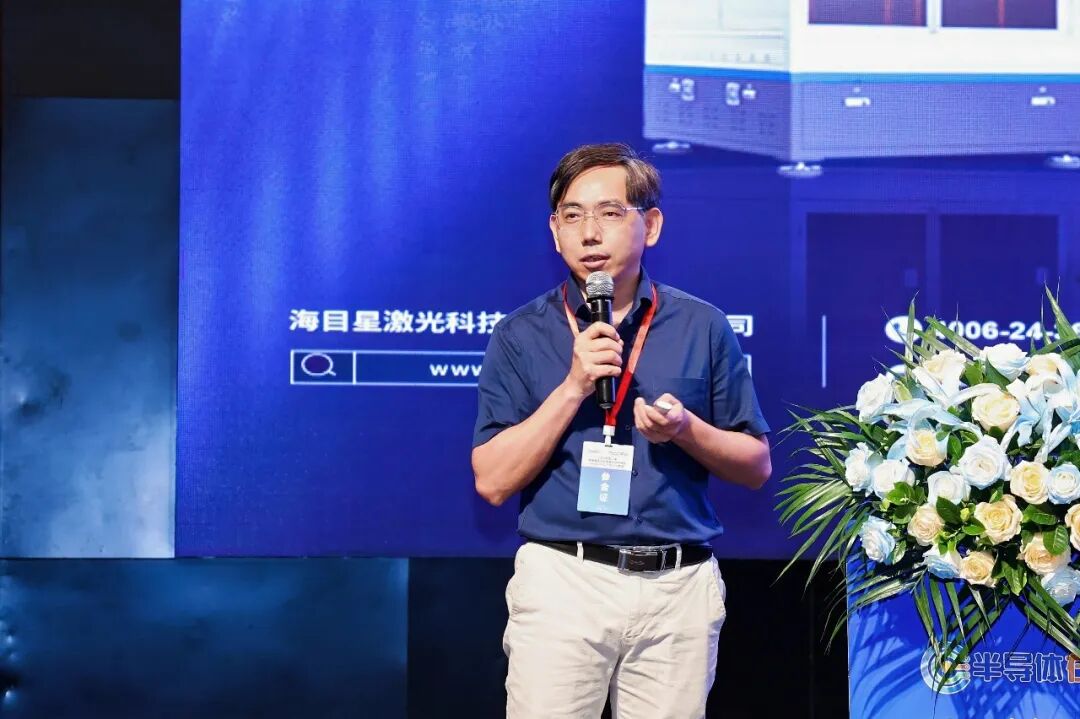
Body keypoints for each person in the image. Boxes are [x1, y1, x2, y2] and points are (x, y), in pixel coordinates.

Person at [471, 143, 772, 719]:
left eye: (609, 213)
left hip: (677, 587)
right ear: (554, 231)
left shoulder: (702, 325)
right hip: (564, 579)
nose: (590, 233)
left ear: (650, 225)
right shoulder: (519, 334)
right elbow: (492, 480)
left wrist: (685, 429)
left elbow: (756, 466)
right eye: (572, 215)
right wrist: (573, 387)